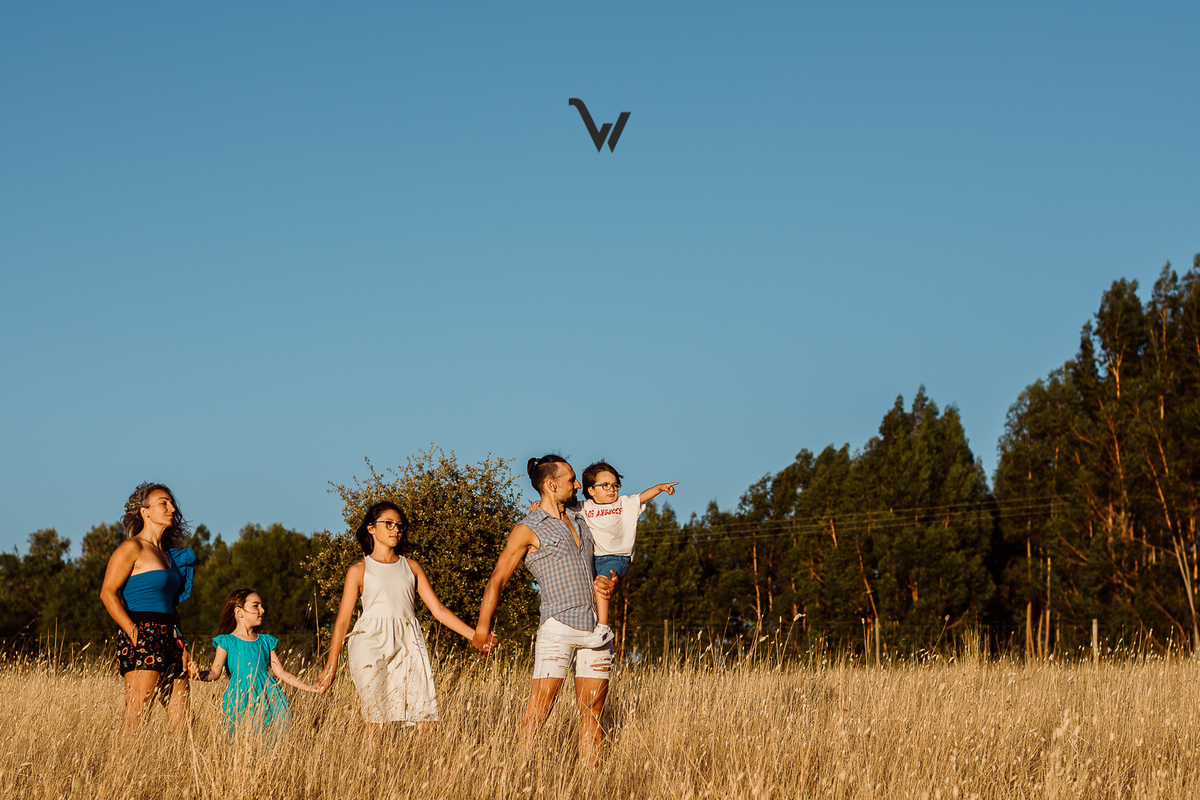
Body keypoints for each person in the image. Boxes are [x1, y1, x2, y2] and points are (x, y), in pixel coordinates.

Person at [473, 455, 618, 763]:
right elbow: (498, 579)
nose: (577, 485)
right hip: (557, 627)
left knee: (593, 712)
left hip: (596, 628)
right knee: (539, 711)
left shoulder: (583, 517)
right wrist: (482, 629)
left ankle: (593, 783)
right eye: (571, 480)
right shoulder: (528, 528)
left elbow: (615, 538)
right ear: (551, 485)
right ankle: (521, 775)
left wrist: (611, 577)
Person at [318, 500, 493, 730]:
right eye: (388, 523)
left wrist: (475, 636)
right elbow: (342, 621)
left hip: (409, 641)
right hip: (369, 642)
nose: (395, 529)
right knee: (376, 720)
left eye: (399, 525)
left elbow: (438, 610)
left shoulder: (412, 567)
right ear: (371, 528)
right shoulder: (359, 570)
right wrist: (331, 665)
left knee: (425, 717)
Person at [99, 482, 198, 742]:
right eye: (163, 503)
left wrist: (183, 645)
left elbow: (172, 606)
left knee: (184, 720)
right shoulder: (132, 548)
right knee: (137, 715)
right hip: (142, 632)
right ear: (145, 512)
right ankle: (121, 767)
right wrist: (135, 634)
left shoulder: (169, 556)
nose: (172, 508)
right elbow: (107, 593)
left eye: (171, 503)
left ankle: (182, 766)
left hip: (171, 635)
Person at [191, 588, 321, 738]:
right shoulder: (227, 641)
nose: (262, 610)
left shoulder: (265, 641)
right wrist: (197, 674)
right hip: (240, 698)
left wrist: (309, 687)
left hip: (270, 696)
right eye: (256, 606)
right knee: (241, 737)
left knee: (277, 733)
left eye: (262, 606)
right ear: (239, 612)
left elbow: (281, 672)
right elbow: (215, 672)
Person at [577, 460, 677, 644]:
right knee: (588, 590)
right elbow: (558, 506)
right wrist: (539, 503)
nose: (611, 489)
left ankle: (603, 627)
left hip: (617, 558)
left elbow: (642, 497)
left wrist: (660, 488)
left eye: (615, 485)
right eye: (605, 485)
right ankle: (588, 624)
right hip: (594, 558)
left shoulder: (624, 504)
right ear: (591, 490)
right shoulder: (584, 507)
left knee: (601, 585)